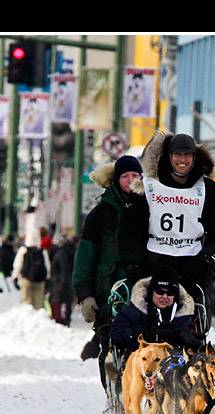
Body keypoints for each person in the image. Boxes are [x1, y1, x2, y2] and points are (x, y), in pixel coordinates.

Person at [118, 132, 215, 330]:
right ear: (168, 157)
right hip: (150, 266)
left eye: (187, 155)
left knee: (189, 326)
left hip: (191, 269)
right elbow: (129, 231)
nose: (182, 160)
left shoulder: (209, 190)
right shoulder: (147, 187)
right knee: (141, 325)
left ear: (194, 158)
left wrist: (205, 261)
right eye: (177, 155)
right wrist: (133, 266)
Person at [72, 155, 142, 391]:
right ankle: (114, 397)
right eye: (125, 176)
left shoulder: (153, 209)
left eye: (135, 176)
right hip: (107, 297)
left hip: (142, 294)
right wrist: (85, 294)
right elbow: (86, 257)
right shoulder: (99, 214)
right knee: (109, 349)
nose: (131, 181)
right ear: (116, 180)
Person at [110, 265, 202, 352]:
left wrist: (181, 336)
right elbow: (117, 335)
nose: (165, 297)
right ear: (151, 293)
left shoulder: (184, 313)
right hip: (140, 361)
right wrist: (148, 334)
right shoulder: (136, 310)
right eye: (160, 292)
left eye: (170, 293)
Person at [12, 227, 51, 310]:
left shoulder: (23, 250)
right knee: (38, 304)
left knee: (26, 303)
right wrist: (47, 278)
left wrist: (15, 277)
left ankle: (28, 319)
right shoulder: (42, 251)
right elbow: (47, 266)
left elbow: (18, 265)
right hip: (40, 281)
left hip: (26, 279)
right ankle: (37, 318)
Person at [49, 236, 76, 326]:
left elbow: (64, 269)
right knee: (66, 302)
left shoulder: (60, 254)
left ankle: (60, 321)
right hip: (64, 282)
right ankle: (65, 320)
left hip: (59, 282)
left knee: (58, 301)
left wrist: (62, 283)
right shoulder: (66, 253)